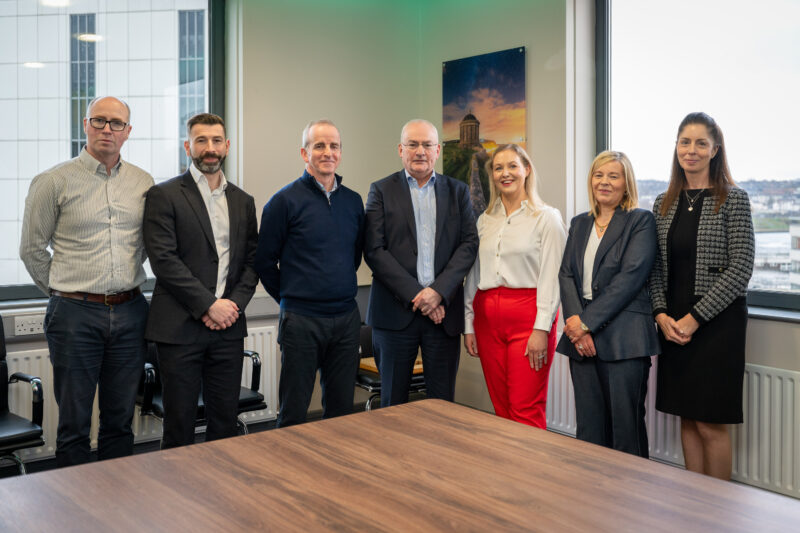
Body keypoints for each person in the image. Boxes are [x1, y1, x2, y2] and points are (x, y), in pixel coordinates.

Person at [19, 96, 153, 467]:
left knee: (119, 421)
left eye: (116, 123)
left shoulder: (143, 182)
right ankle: (74, 511)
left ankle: (116, 504)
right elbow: (31, 249)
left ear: (128, 132)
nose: (107, 129)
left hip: (130, 313)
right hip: (74, 315)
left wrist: (122, 279)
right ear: (85, 124)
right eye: (100, 121)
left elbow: (142, 246)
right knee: (75, 424)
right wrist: (65, 292)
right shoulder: (53, 181)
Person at [143, 113, 259, 448]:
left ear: (227, 146)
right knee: (179, 423)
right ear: (187, 146)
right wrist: (209, 305)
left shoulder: (242, 200)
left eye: (216, 140)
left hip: (228, 329)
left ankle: (220, 495)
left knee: (224, 421)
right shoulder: (163, 195)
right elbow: (163, 261)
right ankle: (177, 499)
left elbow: (252, 262)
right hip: (179, 329)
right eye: (201, 140)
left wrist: (232, 306)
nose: (210, 148)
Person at [649, 112, 754, 479]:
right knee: (688, 417)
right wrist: (661, 315)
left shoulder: (733, 200)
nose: (691, 151)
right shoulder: (663, 202)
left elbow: (741, 269)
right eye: (684, 142)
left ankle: (718, 513)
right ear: (676, 147)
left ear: (715, 150)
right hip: (673, 324)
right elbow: (656, 268)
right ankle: (695, 506)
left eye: (700, 143)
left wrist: (694, 318)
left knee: (710, 423)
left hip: (716, 326)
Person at [255, 119, 364, 428]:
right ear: (305, 153)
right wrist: (291, 296)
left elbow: (351, 256)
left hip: (345, 319)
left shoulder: (354, 202)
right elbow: (264, 262)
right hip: (301, 320)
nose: (327, 152)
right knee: (294, 410)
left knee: (342, 410)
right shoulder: (283, 202)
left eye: (333, 146)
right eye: (319, 146)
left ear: (341, 153)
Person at [364, 119, 478, 407]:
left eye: (427, 144)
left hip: (443, 316)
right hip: (393, 316)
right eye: (412, 144)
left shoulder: (458, 191)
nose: (420, 151)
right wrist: (420, 295)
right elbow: (374, 251)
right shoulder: (380, 191)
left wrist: (437, 292)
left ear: (437, 150)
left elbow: (469, 244)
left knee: (441, 405)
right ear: (400, 150)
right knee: (393, 404)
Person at [556, 151, 659, 455]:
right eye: (598, 175)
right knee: (589, 429)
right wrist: (577, 326)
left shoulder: (640, 221)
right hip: (581, 339)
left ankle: (628, 499)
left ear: (626, 184)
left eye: (613, 176)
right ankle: (592, 497)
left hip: (625, 338)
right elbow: (566, 275)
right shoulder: (579, 224)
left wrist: (585, 323)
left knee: (625, 430)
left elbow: (630, 278)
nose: (604, 182)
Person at [463, 144, 565, 428]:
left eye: (512, 166)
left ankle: (531, 473)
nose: (505, 173)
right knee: (502, 408)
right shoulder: (484, 221)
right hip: (487, 320)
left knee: (525, 409)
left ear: (526, 170)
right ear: (492, 175)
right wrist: (469, 323)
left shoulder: (547, 218)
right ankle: (508, 473)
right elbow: (474, 274)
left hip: (528, 320)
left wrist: (542, 329)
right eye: (498, 168)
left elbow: (552, 276)